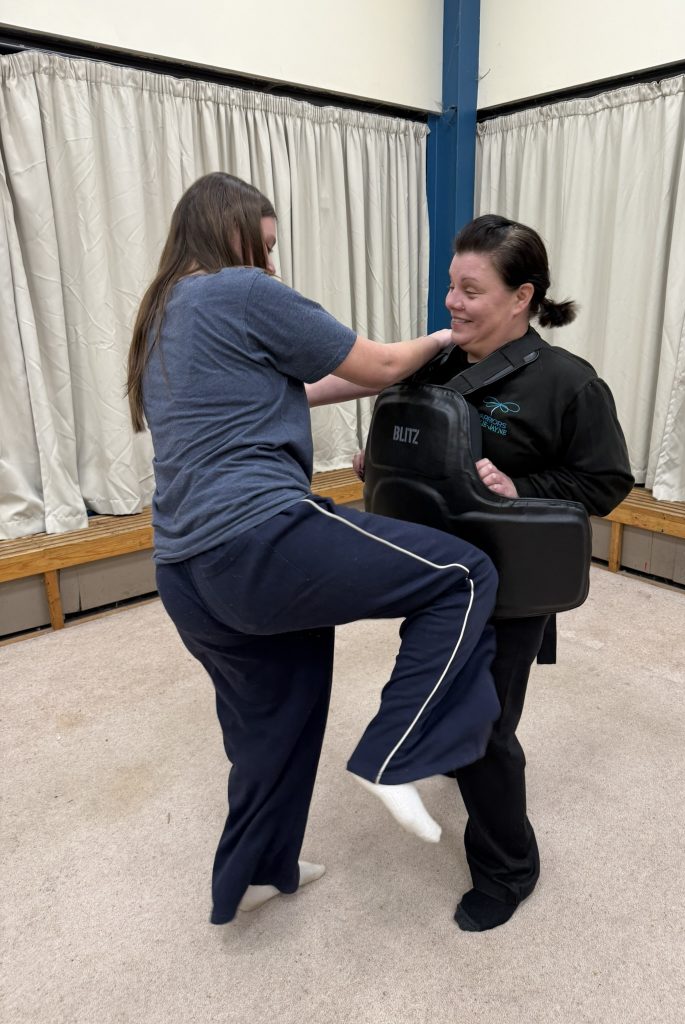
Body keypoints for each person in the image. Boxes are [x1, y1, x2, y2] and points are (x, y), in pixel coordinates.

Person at [126, 172, 502, 926]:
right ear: (229, 232)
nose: (270, 263)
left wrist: (388, 376)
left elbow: (298, 391)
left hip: (184, 571)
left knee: (276, 720)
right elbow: (379, 364)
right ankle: (394, 756)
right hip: (258, 539)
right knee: (463, 575)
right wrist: (444, 339)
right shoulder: (241, 291)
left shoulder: (164, 312)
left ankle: (253, 874)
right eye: (263, 245)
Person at [355, 214, 634, 932]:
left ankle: (510, 868)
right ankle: (455, 754)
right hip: (434, 573)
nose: (452, 301)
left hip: (508, 586)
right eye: (451, 286)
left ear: (522, 297)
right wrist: (379, 462)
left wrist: (521, 487)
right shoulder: (434, 364)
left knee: (484, 725)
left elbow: (606, 482)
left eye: (471, 290)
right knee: (445, 692)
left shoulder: (570, 384)